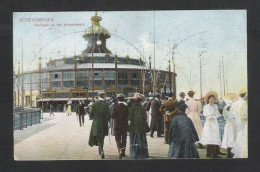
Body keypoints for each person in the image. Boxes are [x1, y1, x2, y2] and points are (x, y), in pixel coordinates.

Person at [88, 92, 111, 159]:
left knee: (98, 136)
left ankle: (101, 150)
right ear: (104, 96)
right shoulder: (106, 104)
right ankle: (101, 150)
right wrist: (108, 120)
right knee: (102, 137)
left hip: (96, 123)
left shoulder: (94, 104)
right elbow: (109, 115)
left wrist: (92, 117)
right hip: (103, 123)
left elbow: (91, 114)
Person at [200, 91, 222, 158]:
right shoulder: (206, 106)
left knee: (215, 136)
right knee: (210, 137)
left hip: (214, 122)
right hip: (209, 123)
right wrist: (212, 116)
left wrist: (215, 116)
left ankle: (214, 153)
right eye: (211, 99)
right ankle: (210, 153)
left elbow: (218, 114)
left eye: (213, 99)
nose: (212, 100)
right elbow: (206, 115)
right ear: (208, 100)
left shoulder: (215, 106)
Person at [128, 93, 150, 159]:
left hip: (133, 126)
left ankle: (134, 154)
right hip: (141, 127)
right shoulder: (143, 109)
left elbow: (129, 118)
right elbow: (145, 118)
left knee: (134, 140)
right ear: (140, 101)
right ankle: (143, 153)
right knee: (142, 139)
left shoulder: (132, 109)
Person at [231, 88, 248, 158]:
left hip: (237, 121)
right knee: (244, 137)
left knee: (238, 136)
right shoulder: (246, 103)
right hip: (244, 121)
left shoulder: (234, 103)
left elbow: (232, 115)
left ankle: (238, 152)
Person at [221, 93, 238, 158]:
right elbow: (224, 116)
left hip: (234, 123)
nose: (232, 100)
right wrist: (230, 121)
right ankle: (229, 153)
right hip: (229, 124)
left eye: (232, 98)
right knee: (229, 137)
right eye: (231, 99)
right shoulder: (226, 107)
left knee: (233, 137)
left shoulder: (235, 106)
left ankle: (232, 152)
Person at [112, 94, 129, 159]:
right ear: (123, 99)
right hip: (124, 125)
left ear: (117, 99)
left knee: (117, 138)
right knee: (124, 138)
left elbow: (113, 116)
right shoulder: (126, 107)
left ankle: (120, 150)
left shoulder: (115, 107)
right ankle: (123, 151)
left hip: (117, 125)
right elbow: (128, 116)